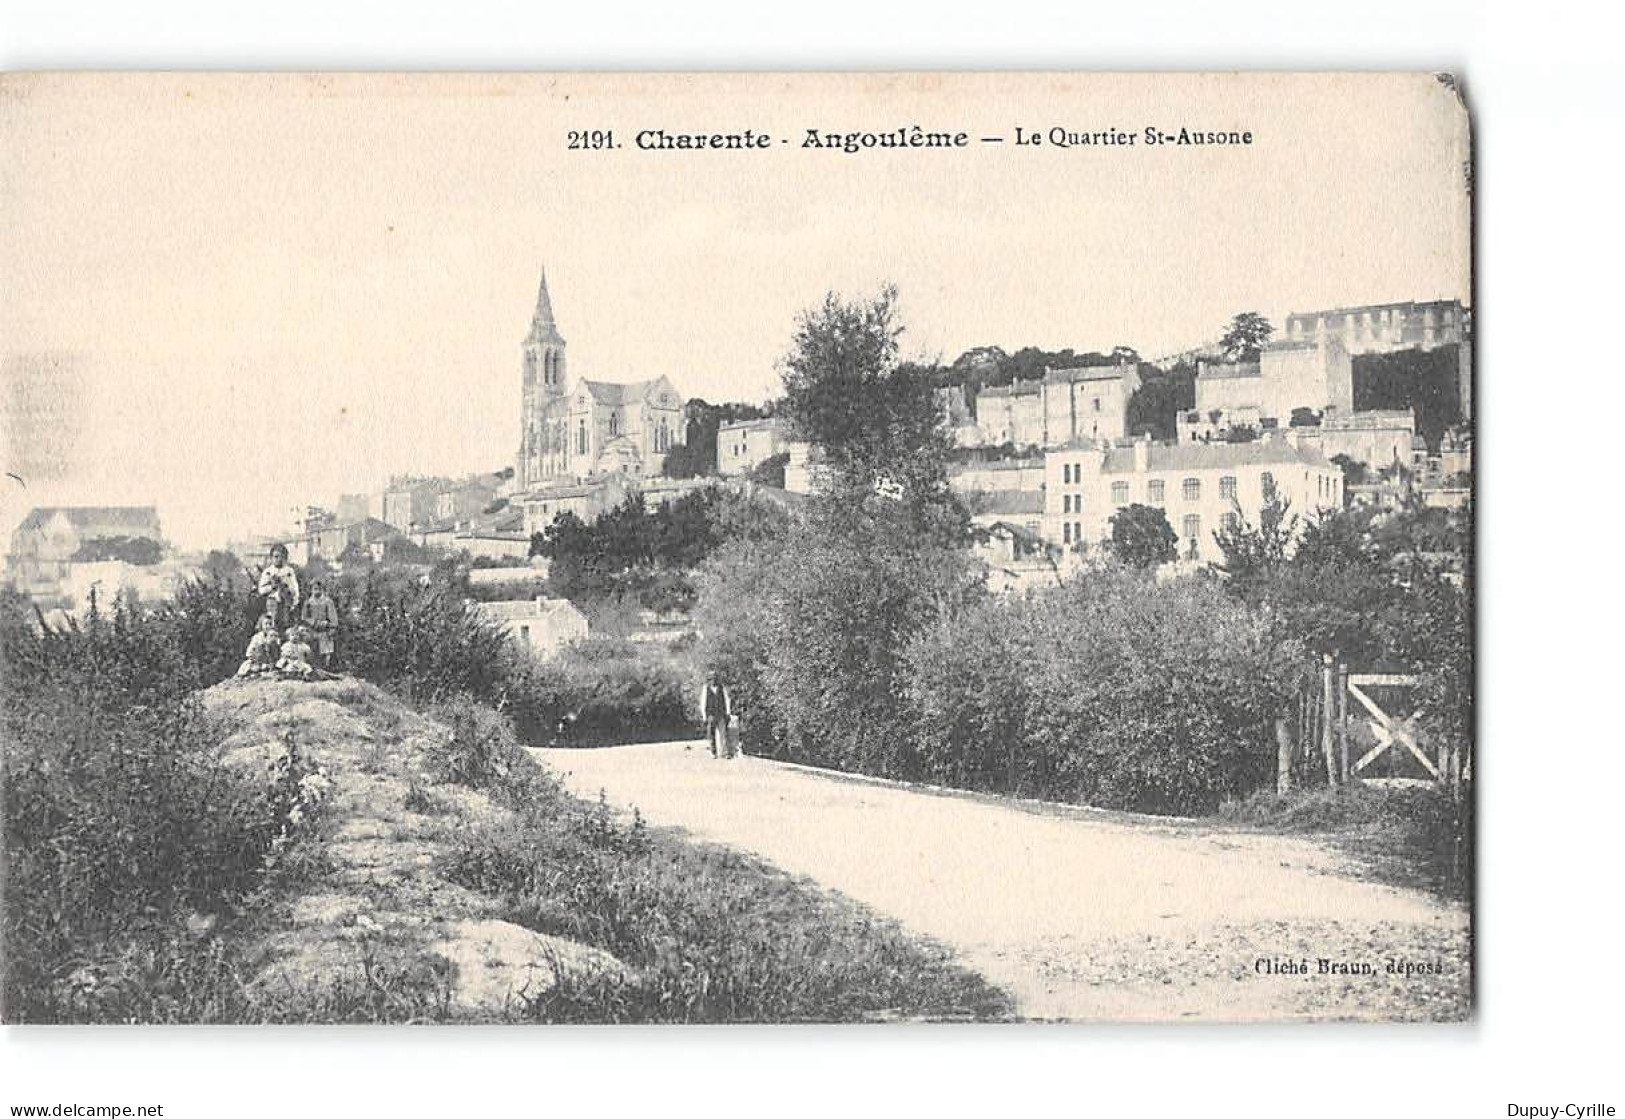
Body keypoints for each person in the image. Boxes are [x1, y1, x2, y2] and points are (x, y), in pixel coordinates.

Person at [256, 544, 301, 633]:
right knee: (272, 624)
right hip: (272, 603)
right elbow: (261, 590)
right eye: (276, 556)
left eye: (281, 556)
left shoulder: (289, 571)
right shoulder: (268, 572)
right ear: (271, 558)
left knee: (286, 625)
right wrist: (272, 587)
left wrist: (294, 601)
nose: (279, 559)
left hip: (286, 603)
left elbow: (295, 588)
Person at [300, 580, 339, 669]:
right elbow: (304, 617)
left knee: (326, 639)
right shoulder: (308, 602)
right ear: (311, 590)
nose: (317, 591)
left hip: (325, 628)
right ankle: (309, 663)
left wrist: (330, 626)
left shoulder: (328, 601)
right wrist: (314, 622)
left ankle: (326, 664)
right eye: (315, 589)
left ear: (322, 590)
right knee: (307, 638)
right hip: (311, 628)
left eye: (319, 589)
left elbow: (333, 617)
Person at [699, 671, 735, 759]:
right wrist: (704, 715)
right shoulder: (705, 688)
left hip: (721, 713)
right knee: (711, 733)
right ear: (708, 680)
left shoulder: (721, 688)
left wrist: (728, 712)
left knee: (723, 733)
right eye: (711, 679)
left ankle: (725, 753)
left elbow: (727, 700)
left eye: (714, 679)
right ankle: (713, 752)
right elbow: (703, 702)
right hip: (710, 714)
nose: (713, 681)